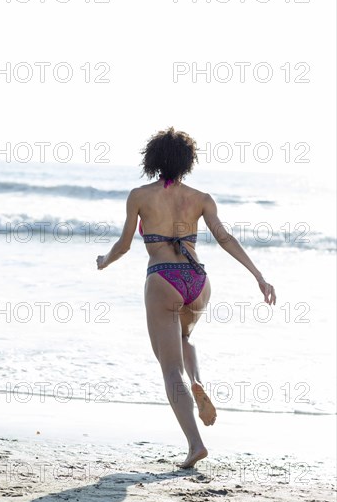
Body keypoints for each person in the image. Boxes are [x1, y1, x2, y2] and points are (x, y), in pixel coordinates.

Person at [96, 127, 276, 469]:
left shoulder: (139, 195)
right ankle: (197, 381)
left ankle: (195, 444)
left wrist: (104, 261)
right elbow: (225, 238)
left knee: (169, 370)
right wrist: (259, 277)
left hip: (163, 278)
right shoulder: (202, 197)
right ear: (187, 161)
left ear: (153, 159)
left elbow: (123, 245)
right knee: (184, 336)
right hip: (198, 280)